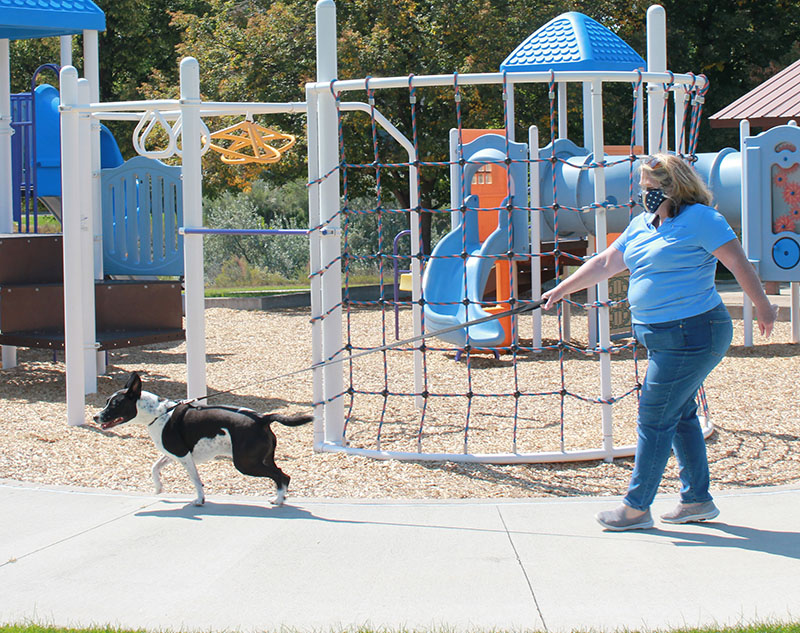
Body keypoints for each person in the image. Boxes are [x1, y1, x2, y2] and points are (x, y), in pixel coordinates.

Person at [541, 153, 778, 531]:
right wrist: (562, 289)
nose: (644, 194)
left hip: (694, 332)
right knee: (680, 413)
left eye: (652, 188)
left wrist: (762, 306)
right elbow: (605, 263)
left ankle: (636, 508)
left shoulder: (702, 219)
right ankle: (696, 499)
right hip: (662, 336)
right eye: (643, 188)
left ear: (674, 188)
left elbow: (738, 264)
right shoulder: (641, 224)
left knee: (654, 415)